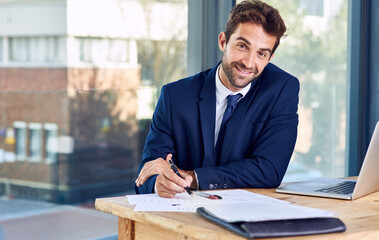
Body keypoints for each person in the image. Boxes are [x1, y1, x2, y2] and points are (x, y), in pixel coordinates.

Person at [135, 0, 299, 198]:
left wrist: (192, 177)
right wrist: (159, 183)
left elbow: (269, 170)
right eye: (242, 46)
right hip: (183, 215)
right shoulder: (175, 96)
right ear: (223, 41)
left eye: (261, 54)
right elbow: (146, 176)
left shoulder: (281, 89)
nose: (249, 62)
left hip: (246, 216)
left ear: (270, 58)